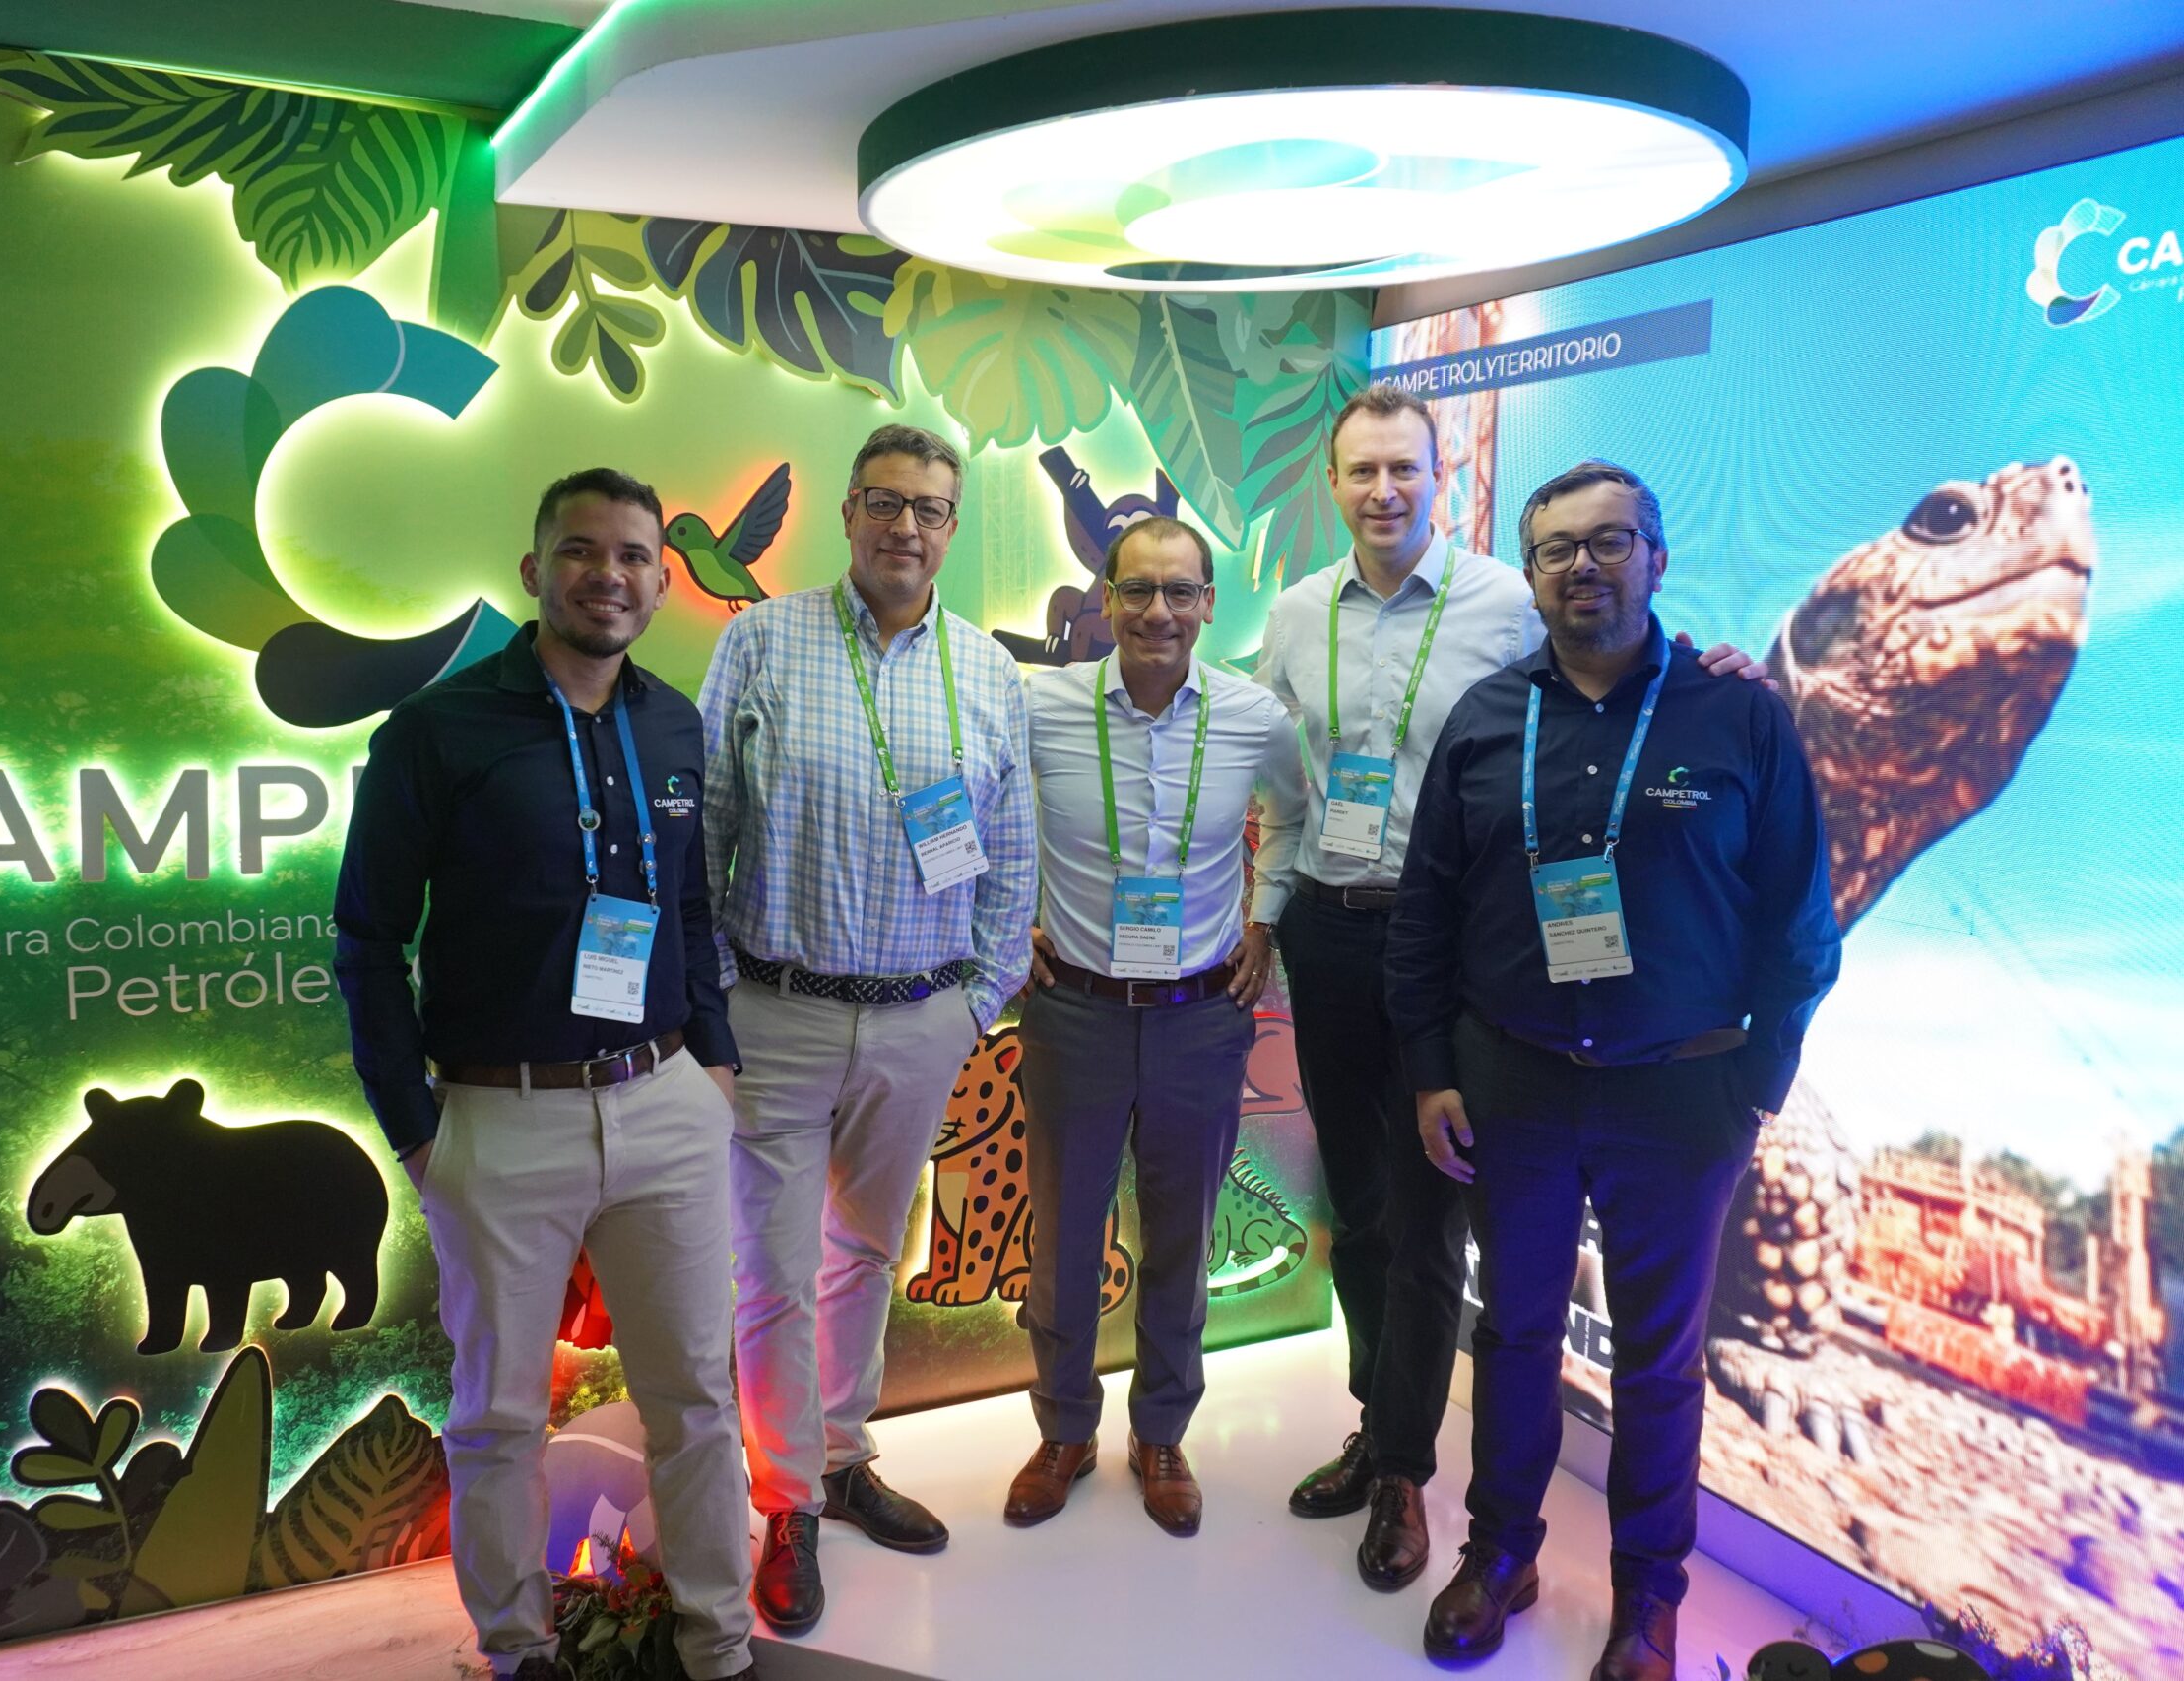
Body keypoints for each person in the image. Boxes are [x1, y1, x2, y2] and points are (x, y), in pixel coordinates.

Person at [1253, 385, 1767, 1592]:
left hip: (1465, 951)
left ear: (1441, 481)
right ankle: (1376, 1425)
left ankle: (1404, 1474)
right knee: (1361, 1208)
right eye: (1361, 470)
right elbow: (1285, 777)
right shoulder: (1291, 615)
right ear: (1333, 484)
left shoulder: (1506, 595)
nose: (1383, 490)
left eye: (1404, 469)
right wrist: (1267, 914)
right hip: (1333, 930)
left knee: (1430, 1219)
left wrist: (1719, 662)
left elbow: (1618, 670)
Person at [1386, 460, 1840, 1680]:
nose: (1582, 565)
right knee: (1515, 1334)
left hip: (1681, 1096)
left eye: (1609, 541)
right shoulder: (1486, 719)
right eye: (1556, 549)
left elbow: (1799, 927)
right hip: (1515, 1083)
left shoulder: (1739, 719)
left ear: (1655, 558)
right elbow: (1426, 914)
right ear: (1530, 574)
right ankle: (1501, 1552)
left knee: (1659, 1361)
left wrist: (1756, 1085)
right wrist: (1431, 1069)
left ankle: (1648, 1596)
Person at [333, 469, 759, 1681]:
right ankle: (517, 1650)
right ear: (534, 572)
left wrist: (714, 1061)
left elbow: (688, 909)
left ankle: (719, 1645)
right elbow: (367, 940)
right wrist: (417, 1128)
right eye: (580, 551)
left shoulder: (673, 725)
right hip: (499, 1114)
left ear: (661, 582)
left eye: (632, 557)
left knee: (696, 1401)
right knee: (500, 1416)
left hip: (664, 1100)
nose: (606, 576)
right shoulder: (437, 731)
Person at [700, 423, 1037, 1631]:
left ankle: (842, 1456)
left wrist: (973, 1004)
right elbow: (705, 831)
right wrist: (714, 1003)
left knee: (863, 1254)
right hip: (776, 1014)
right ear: (847, 514)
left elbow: (1010, 858)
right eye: (885, 503)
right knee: (773, 1271)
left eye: (930, 509)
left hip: (918, 1019)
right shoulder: (760, 641)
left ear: (952, 527)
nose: (906, 527)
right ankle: (786, 1500)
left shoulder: (987, 670)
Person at [1000, 516, 1307, 1538]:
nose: (1158, 611)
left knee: (1183, 1240)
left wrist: (1264, 918)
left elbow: (1295, 815)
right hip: (1074, 1013)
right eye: (1137, 589)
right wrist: (1005, 923)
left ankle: (1162, 1433)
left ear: (1209, 603)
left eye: (1180, 591)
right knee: (1062, 1242)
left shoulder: (1252, 716)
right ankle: (1063, 1430)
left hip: (1198, 1019)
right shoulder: (1039, 706)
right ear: (1107, 599)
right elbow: (979, 807)